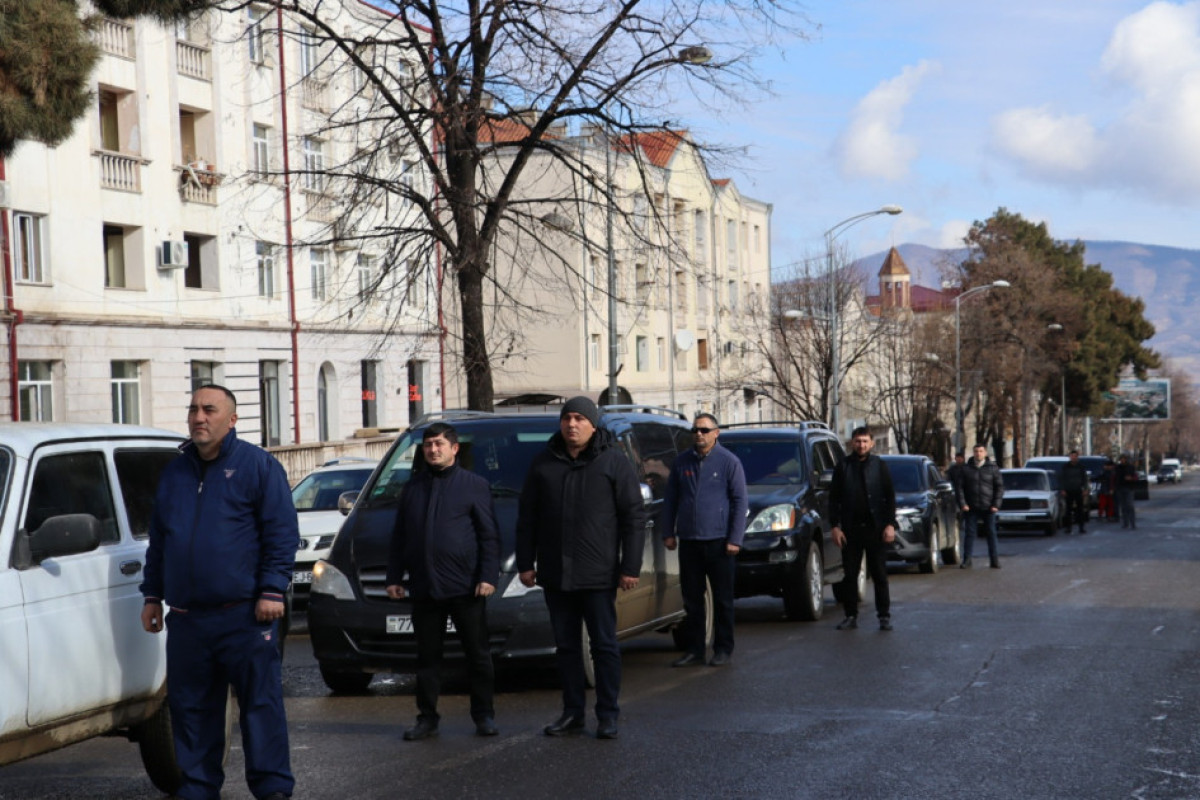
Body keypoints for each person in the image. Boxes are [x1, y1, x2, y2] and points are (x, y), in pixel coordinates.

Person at [141, 385, 297, 800]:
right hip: (188, 618)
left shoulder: (258, 466)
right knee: (192, 710)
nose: (198, 417)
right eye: (193, 409)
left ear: (231, 420)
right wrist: (152, 595)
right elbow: (160, 539)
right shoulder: (175, 473)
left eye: (209, 410)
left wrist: (272, 590)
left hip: (245, 614)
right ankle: (198, 788)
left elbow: (281, 533)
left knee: (260, 707)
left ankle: (272, 789)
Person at [515, 396, 645, 740]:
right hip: (556, 574)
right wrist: (526, 563)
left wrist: (630, 566)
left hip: (598, 574)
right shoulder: (544, 463)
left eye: (579, 419)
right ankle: (572, 713)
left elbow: (633, 517)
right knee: (567, 647)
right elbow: (527, 517)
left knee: (603, 646)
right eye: (566, 418)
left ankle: (607, 715)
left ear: (593, 424)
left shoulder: (613, 462)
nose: (572, 425)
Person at [385, 423, 501, 741]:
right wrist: (394, 577)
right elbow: (400, 537)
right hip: (425, 587)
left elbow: (489, 536)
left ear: (454, 449)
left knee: (477, 655)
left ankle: (484, 716)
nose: (433, 450)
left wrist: (488, 576)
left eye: (439, 444)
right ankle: (427, 718)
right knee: (427, 658)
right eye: (427, 445)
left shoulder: (473, 485)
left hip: (466, 587)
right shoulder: (413, 488)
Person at [660, 413, 748, 667]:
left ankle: (723, 648)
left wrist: (735, 538)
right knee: (692, 599)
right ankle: (695, 649)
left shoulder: (729, 462)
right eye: (696, 430)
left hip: (720, 542)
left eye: (705, 430)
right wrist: (668, 531)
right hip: (690, 540)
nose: (699, 434)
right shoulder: (682, 463)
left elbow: (740, 501)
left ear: (716, 433)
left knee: (722, 599)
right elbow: (671, 500)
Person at [829, 427, 897, 631]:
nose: (861, 445)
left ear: (872, 443)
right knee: (850, 575)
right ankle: (851, 615)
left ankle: (883, 616)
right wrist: (835, 527)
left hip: (876, 529)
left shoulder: (879, 466)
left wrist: (890, 524)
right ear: (852, 443)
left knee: (879, 574)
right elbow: (834, 500)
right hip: (851, 530)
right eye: (858, 441)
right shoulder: (843, 466)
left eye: (865, 441)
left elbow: (890, 496)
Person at [957, 443, 1004, 569]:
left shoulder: (992, 468)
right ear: (973, 453)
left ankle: (994, 560)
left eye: (981, 451)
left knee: (991, 533)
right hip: (971, 507)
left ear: (985, 453)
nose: (978, 453)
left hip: (988, 507)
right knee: (970, 534)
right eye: (976, 451)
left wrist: (996, 504)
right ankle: (967, 560)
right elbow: (960, 488)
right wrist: (963, 504)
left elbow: (999, 487)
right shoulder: (966, 469)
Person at [1060, 450, 1089, 534]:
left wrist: (1085, 489)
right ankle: (1068, 528)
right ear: (1070, 457)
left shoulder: (1081, 467)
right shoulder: (1065, 467)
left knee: (1080, 510)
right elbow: (1062, 478)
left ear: (1077, 457)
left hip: (1078, 490)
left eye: (1075, 456)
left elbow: (1085, 478)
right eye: (1072, 456)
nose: (1073, 457)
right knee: (1068, 510)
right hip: (1068, 491)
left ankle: (1081, 527)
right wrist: (1062, 489)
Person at [1116, 454, 1138, 529]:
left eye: (1124, 459)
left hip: (1129, 488)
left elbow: (1135, 477)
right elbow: (1115, 477)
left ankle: (1133, 523)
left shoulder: (1131, 467)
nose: (1122, 460)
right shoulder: (1118, 467)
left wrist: (1131, 478)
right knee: (1123, 506)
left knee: (1130, 505)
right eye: (1121, 459)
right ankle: (1125, 523)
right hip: (1120, 488)